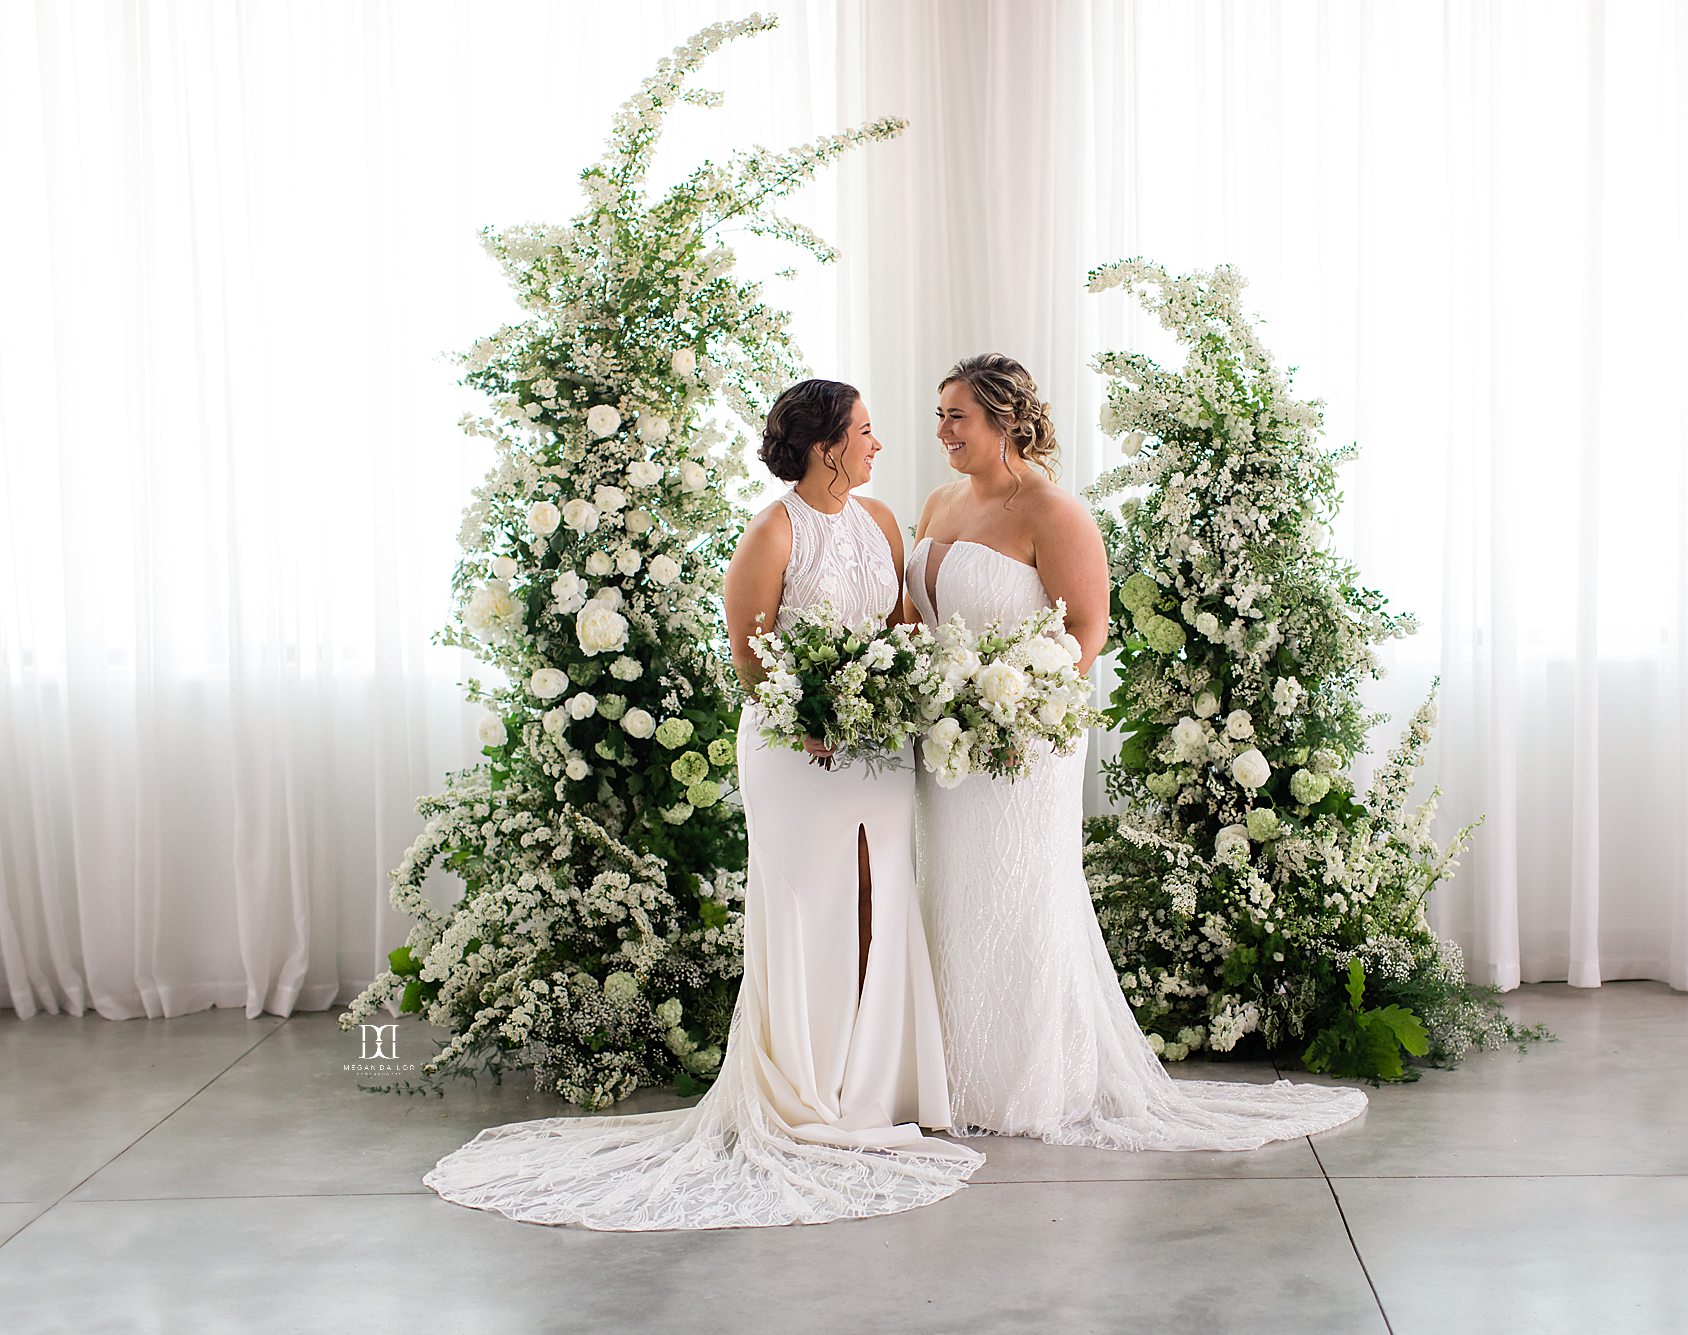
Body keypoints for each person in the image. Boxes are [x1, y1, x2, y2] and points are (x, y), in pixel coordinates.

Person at [422, 379, 981, 1230]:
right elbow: (750, 657)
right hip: (798, 752)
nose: (878, 444)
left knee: (881, 896)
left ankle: (881, 1083)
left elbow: (902, 619)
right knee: (810, 907)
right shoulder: (773, 529)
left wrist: (900, 687)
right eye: (864, 432)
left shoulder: (881, 521)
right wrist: (815, 714)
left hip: (877, 746)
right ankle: (809, 1086)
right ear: (826, 446)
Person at [906, 353, 1367, 1149]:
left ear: (1006, 422)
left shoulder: (1053, 511)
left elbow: (1087, 631)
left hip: (1025, 738)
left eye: (958, 416)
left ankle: (1027, 1083)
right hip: (946, 742)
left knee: (1018, 899)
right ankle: (952, 1075)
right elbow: (920, 616)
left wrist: (1017, 707)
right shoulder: (938, 502)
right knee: (951, 892)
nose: (942, 430)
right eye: (940, 414)